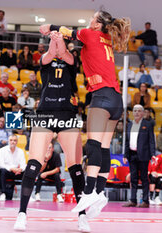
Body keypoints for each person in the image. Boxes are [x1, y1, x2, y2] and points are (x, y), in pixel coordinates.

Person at [39, 10, 131, 215]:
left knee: (93, 144)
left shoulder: (91, 33)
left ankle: (89, 192)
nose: (90, 20)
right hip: (116, 98)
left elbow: (68, 32)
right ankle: (99, 192)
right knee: (104, 147)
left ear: (97, 24)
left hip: (102, 96)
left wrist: (50, 27)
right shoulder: (106, 38)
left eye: (93, 17)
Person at [14, 31, 89, 232]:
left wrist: (58, 38)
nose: (56, 46)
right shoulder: (45, 61)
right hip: (45, 113)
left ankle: (82, 217)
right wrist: (54, 40)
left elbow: (65, 55)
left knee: (75, 168)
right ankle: (22, 214)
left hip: (68, 114)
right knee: (33, 164)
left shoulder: (72, 60)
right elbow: (50, 54)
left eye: (59, 42)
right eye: (53, 43)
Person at [122, 105, 155, 208]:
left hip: (144, 155)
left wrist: (153, 154)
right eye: (135, 111)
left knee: (145, 178)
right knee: (133, 178)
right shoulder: (129, 124)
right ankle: (133, 200)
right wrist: (125, 154)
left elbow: (151, 141)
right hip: (132, 155)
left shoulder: (148, 124)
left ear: (142, 113)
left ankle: (145, 201)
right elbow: (127, 141)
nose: (136, 112)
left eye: (139, 111)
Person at [0, 135, 26, 201]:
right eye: (11, 140)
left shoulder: (21, 151)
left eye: (14, 140)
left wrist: (20, 169)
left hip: (16, 172)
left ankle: (26, 195)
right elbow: (1, 164)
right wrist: (12, 169)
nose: (13, 142)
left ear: (17, 142)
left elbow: (23, 164)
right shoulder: (2, 150)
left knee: (26, 173)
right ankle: (3, 193)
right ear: (8, 141)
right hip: (6, 171)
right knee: (3, 171)